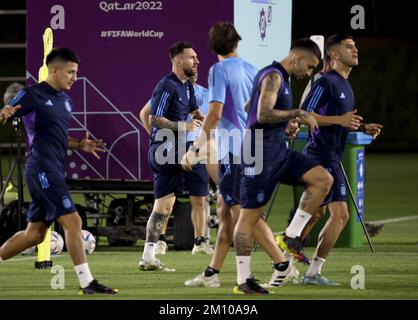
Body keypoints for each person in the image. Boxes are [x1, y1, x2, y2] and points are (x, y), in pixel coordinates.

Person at [182, 22, 298, 292]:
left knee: (241, 212)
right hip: (253, 146)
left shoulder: (218, 70)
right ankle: (212, 272)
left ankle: (283, 264)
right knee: (225, 211)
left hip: (236, 151)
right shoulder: (253, 70)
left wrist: (194, 149)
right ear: (237, 42)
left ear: (212, 48)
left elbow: (215, 113)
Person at [0, 48, 117, 295]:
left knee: (34, 235)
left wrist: (80, 144)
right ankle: (87, 283)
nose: (75, 77)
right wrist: (5, 112)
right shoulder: (32, 94)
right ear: (54, 70)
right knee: (73, 221)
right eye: (70, 72)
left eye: (76, 72)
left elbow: (59, 136)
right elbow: (8, 111)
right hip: (41, 168)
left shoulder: (66, 100)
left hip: (53, 168)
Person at [233, 38, 334, 294]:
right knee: (249, 217)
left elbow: (249, 107)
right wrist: (297, 114)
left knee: (323, 180)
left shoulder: (278, 77)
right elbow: (263, 113)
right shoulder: (275, 76)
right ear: (296, 58)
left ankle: (290, 236)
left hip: (277, 150)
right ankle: (244, 279)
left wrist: (282, 124)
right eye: (309, 67)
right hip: (258, 151)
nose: (308, 73)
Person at [298, 34, 383, 285]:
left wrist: (361, 127)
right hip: (318, 155)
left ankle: (296, 265)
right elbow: (305, 115)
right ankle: (295, 265)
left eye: (355, 45)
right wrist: (340, 121)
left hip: (332, 156)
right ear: (334, 55)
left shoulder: (346, 84)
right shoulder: (326, 82)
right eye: (349, 47)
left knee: (319, 215)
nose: (355, 49)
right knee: (337, 215)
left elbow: (339, 122)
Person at [137, 41, 205, 271]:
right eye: (192, 57)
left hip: (175, 151)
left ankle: (148, 257)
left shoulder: (187, 86)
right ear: (178, 61)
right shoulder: (167, 86)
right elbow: (154, 118)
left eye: (196, 57)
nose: (197, 61)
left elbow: (197, 113)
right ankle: (149, 255)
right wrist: (182, 127)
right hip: (166, 152)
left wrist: (215, 124)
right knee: (164, 206)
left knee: (164, 207)